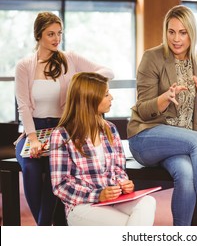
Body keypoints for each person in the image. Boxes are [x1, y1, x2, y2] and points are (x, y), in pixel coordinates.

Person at [14, 12, 114, 225]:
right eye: (50, 34)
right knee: (30, 169)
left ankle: (45, 228)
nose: (56, 39)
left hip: (62, 131)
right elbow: (23, 105)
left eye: (59, 33)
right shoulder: (24, 66)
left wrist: (80, 82)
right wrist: (32, 140)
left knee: (54, 171)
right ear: (38, 35)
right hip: (33, 130)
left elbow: (108, 72)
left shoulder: (70, 58)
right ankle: (44, 226)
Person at [127, 5, 197, 226]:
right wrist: (163, 99)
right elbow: (142, 109)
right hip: (146, 137)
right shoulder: (152, 57)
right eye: (171, 32)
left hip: (180, 143)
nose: (176, 39)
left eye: (182, 32)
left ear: (192, 33)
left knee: (186, 174)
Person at [49, 72, 156, 226]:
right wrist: (98, 195)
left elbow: (119, 170)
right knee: (130, 224)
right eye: (106, 94)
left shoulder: (110, 129)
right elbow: (60, 186)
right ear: (90, 98)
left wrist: (123, 184)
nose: (111, 97)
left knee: (148, 202)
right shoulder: (61, 135)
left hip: (113, 199)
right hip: (82, 206)